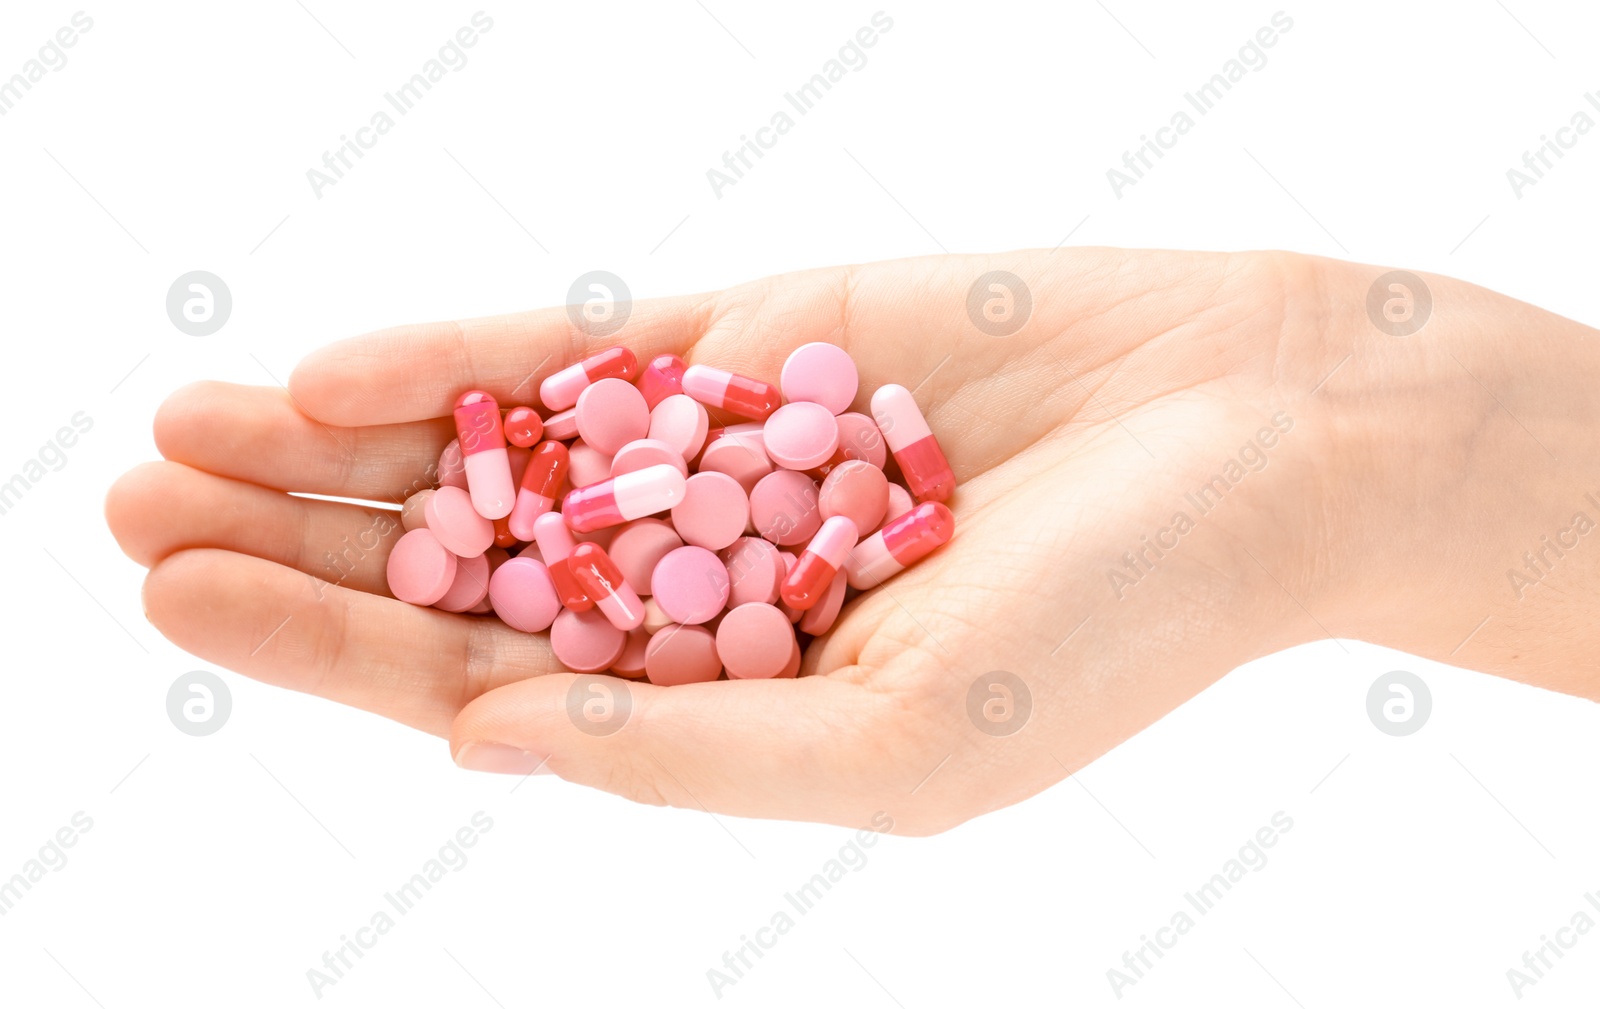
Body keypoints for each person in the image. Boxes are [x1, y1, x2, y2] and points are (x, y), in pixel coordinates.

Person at [104, 249, 1600, 835]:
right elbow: (678, 536)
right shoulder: (653, 485)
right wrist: (1349, 419)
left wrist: (1343, 434)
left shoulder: (762, 487)